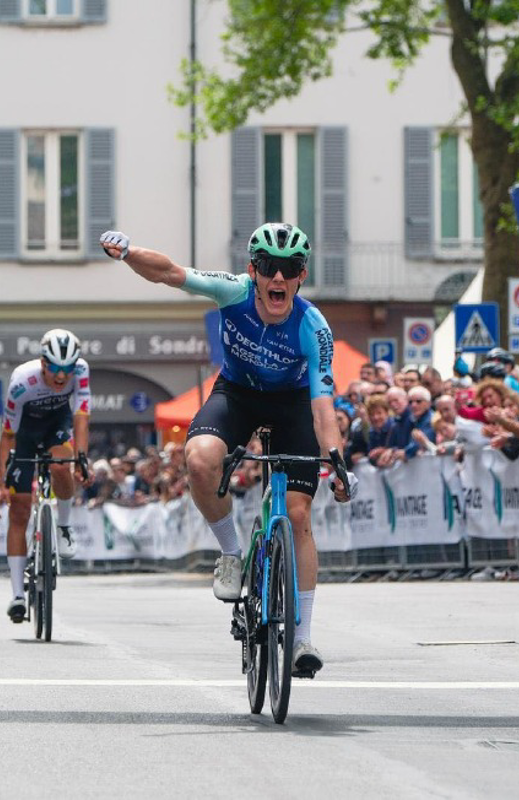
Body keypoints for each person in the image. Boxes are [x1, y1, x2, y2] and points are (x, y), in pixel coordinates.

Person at [100, 223, 355, 677]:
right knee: (198, 460)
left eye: (290, 269)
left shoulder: (313, 326)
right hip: (236, 393)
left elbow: (322, 406)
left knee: (297, 514)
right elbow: (169, 273)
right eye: (269, 269)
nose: (279, 279)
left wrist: (336, 460)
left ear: (302, 275)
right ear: (253, 271)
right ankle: (233, 554)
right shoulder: (231, 292)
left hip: (292, 404)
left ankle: (302, 641)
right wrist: (127, 252)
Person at [0, 328, 92, 623]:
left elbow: (82, 415)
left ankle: (62, 526)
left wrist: (82, 459)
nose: (62, 377)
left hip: (56, 426)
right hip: (23, 433)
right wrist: (2, 485)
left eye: (67, 369)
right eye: (56, 369)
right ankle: (18, 595)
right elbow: (7, 436)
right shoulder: (22, 383)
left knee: (62, 465)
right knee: (19, 508)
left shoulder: (81, 371)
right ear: (43, 362)